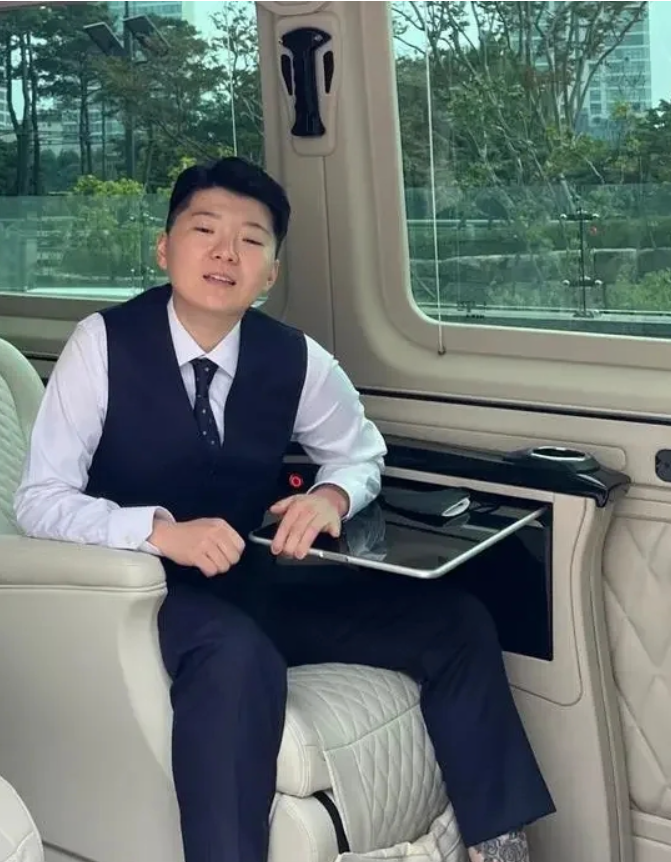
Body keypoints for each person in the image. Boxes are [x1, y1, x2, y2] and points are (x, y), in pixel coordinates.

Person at [14, 157, 554, 862]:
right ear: (164, 248)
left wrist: (331, 496)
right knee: (239, 659)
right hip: (141, 594)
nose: (224, 253)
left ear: (269, 272)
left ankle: (497, 843)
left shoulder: (296, 359)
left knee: (456, 622)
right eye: (204, 230)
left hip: (252, 578)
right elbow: (40, 501)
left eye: (250, 240)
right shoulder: (102, 344)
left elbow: (361, 452)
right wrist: (157, 531)